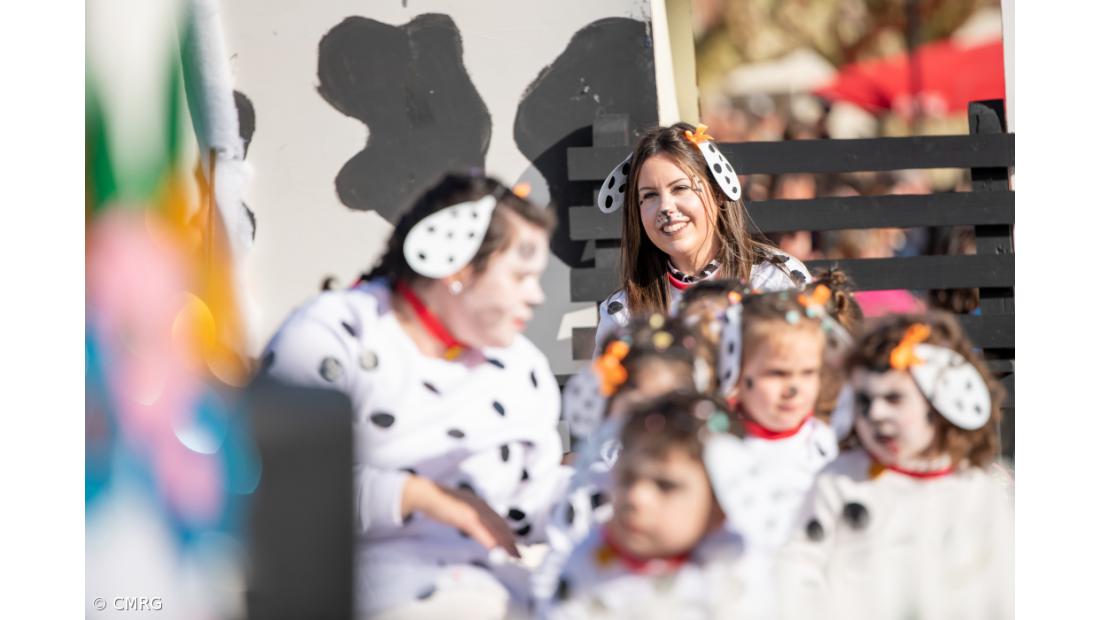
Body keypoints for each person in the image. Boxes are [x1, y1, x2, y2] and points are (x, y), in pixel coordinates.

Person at [258, 172, 568, 619]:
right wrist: (416, 495)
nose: (536, 296)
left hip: (500, 596)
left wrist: (614, 489)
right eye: (521, 276)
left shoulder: (522, 366)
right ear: (458, 268)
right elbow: (278, 489)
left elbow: (530, 500)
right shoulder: (335, 334)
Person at [778, 312, 1012, 620]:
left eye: (894, 398)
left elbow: (1003, 586)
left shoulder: (975, 491)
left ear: (941, 400)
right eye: (864, 400)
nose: (876, 413)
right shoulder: (840, 481)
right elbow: (799, 567)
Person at [534, 314, 717, 612]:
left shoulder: (705, 472)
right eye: (639, 401)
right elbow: (559, 561)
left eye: (668, 403)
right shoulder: (588, 480)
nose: (652, 418)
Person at [592, 122, 810, 354]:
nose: (666, 207)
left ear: (717, 192)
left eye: (680, 188)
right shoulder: (623, 314)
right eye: (650, 195)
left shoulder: (775, 281)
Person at [546, 392, 758, 619]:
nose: (635, 497)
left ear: (719, 506)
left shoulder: (736, 581)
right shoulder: (584, 565)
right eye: (627, 478)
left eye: (665, 485)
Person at [710, 288, 844, 553]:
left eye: (808, 372)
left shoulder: (829, 444)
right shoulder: (717, 449)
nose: (794, 389)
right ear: (734, 371)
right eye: (777, 373)